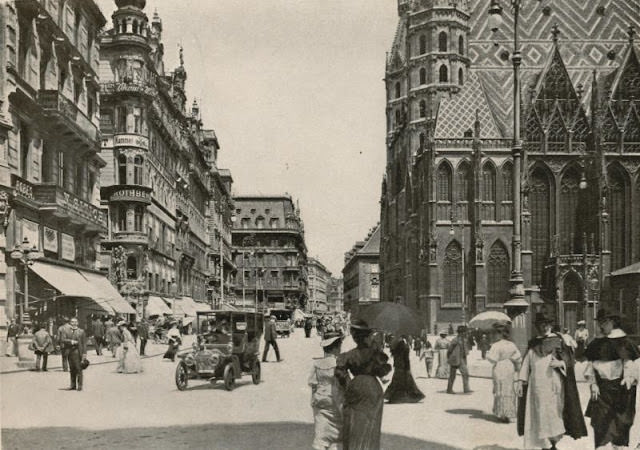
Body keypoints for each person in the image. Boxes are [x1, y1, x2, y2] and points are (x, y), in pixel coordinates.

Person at [516, 313, 587, 449]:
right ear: (537, 326)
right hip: (536, 385)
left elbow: (570, 360)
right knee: (539, 413)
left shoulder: (559, 340)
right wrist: (521, 381)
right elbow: (526, 363)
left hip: (554, 385)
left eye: (547, 324)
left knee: (554, 412)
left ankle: (553, 442)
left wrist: (561, 363)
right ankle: (544, 444)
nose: (544, 327)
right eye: (541, 324)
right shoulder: (534, 343)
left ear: (551, 325)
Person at [584, 308, 639, 449]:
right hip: (602, 389)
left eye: (605, 322)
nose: (602, 325)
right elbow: (591, 366)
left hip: (621, 388)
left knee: (621, 421)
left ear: (613, 322)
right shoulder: (596, 343)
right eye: (600, 322)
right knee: (601, 421)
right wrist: (593, 384)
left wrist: (629, 376)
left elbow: (630, 362)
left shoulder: (624, 342)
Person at [335, 319, 391, 450]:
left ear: (355, 338)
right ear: (367, 336)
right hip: (373, 387)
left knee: (353, 423)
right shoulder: (375, 353)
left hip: (356, 385)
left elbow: (339, 372)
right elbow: (384, 371)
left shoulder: (349, 355)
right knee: (371, 424)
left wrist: (348, 384)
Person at [308, 331, 345, 450]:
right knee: (337, 437)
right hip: (335, 402)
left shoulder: (317, 363)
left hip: (320, 402)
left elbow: (313, 384)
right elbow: (345, 385)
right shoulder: (339, 364)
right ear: (335, 348)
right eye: (339, 346)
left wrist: (314, 400)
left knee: (321, 435)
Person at [486, 322, 521, 423]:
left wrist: (488, 354)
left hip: (500, 367)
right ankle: (509, 413)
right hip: (509, 366)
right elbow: (518, 357)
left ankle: (502, 413)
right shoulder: (512, 344)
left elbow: (493, 359)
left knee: (500, 388)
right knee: (509, 389)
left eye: (495, 333)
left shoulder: (496, 345)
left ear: (499, 334)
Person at [385, 335, 425, 403]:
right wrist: (408, 368)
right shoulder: (405, 346)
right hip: (403, 366)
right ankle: (411, 396)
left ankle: (393, 396)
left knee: (396, 381)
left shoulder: (396, 347)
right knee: (408, 382)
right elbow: (406, 359)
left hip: (397, 366)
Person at [60, 317, 86, 391]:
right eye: (72, 322)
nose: (74, 323)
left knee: (79, 369)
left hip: (78, 352)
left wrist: (84, 354)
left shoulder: (81, 331)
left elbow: (84, 343)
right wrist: (71, 341)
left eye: (75, 322)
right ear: (70, 323)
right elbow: (63, 339)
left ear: (77, 323)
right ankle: (73, 385)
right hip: (69, 352)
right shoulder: (66, 331)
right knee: (72, 369)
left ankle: (80, 386)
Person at [447, 325, 471, 394]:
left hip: (461, 359)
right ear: (460, 332)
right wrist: (449, 357)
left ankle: (466, 389)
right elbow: (450, 350)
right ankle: (449, 389)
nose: (465, 333)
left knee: (465, 373)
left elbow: (465, 349)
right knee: (452, 375)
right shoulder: (455, 340)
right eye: (464, 332)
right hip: (455, 359)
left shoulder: (465, 340)